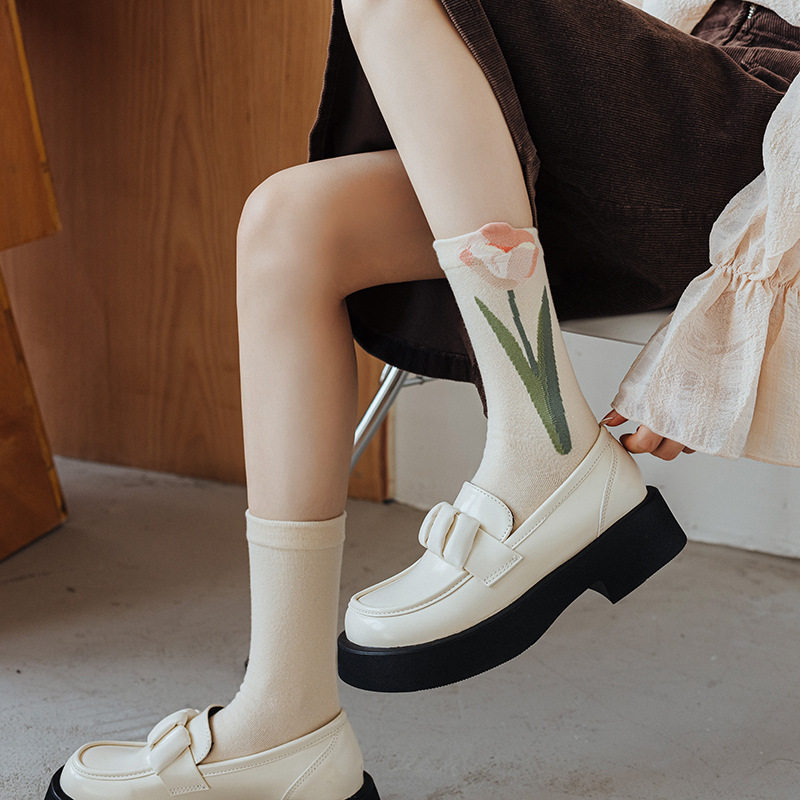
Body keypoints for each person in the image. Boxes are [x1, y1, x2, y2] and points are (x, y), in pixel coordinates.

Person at [45, 1, 800, 798]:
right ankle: (285, 722)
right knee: (289, 226)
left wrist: (739, 315)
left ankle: (544, 444)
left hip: (760, 147)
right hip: (619, 120)